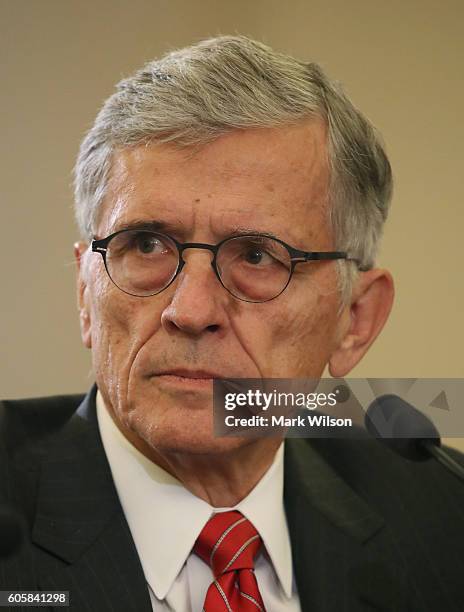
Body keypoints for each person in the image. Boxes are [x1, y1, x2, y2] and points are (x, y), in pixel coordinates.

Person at [1, 35, 463, 612]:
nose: (190, 311)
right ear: (84, 289)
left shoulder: (445, 522)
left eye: (256, 257)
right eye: (146, 244)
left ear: (354, 320)